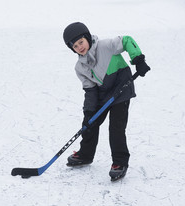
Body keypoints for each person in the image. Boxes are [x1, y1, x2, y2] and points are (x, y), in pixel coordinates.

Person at [63, 22, 150, 181]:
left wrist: (138, 59)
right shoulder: (80, 67)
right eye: (75, 46)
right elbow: (90, 91)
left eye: (81, 42)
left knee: (116, 128)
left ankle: (120, 162)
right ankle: (85, 155)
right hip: (102, 95)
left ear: (87, 37)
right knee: (89, 124)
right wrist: (89, 112)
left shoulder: (106, 46)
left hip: (121, 90)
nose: (80, 47)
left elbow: (126, 40)